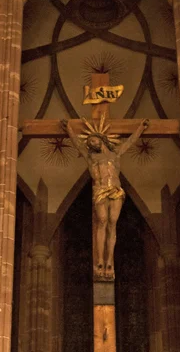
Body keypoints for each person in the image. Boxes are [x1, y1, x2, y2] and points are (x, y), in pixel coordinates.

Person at [62, 116, 149, 280]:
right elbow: (77, 144)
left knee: (112, 223)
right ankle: (100, 259)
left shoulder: (115, 155)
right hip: (100, 190)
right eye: (90, 143)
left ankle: (109, 261)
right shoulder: (91, 158)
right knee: (102, 220)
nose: (91, 144)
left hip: (115, 190)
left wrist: (140, 128)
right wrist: (69, 129)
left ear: (101, 140)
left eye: (93, 141)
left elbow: (129, 142)